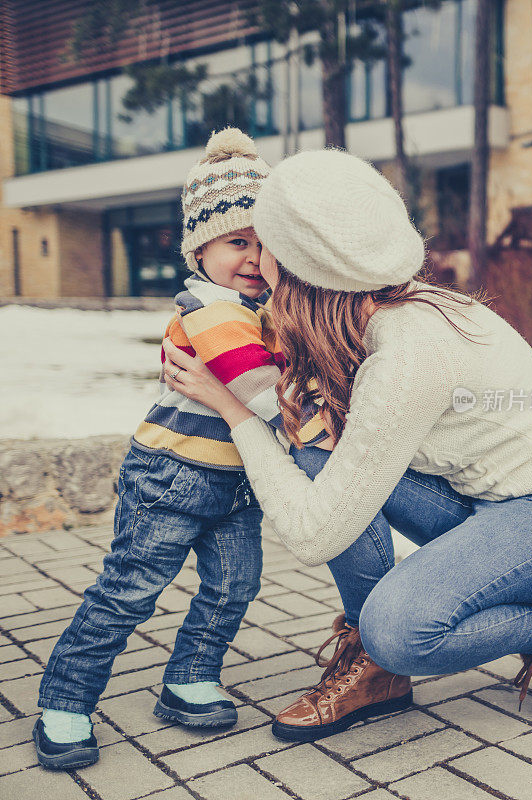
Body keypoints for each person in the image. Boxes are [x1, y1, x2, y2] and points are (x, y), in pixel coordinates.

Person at [162, 147, 532, 745]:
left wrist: (230, 407)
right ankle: (375, 670)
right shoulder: (367, 314)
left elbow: (313, 533)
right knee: (316, 438)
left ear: (301, 265)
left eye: (263, 242)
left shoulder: (407, 357)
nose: (255, 258)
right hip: (478, 500)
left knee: (399, 630)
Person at [33, 128, 329, 770]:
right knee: (129, 590)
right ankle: (65, 700)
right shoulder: (212, 308)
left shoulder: (262, 309)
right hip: (172, 476)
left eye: (266, 243)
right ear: (201, 249)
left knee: (234, 585)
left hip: (234, 481)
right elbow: (260, 391)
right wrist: (312, 402)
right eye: (237, 242)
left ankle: (189, 678)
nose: (253, 257)